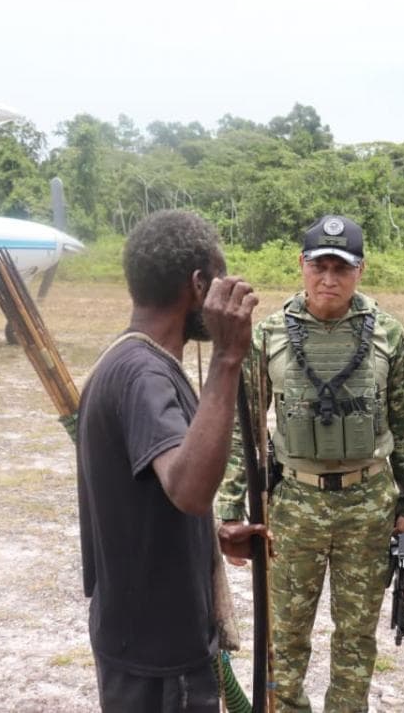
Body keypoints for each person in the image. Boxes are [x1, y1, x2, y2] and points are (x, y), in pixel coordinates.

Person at [216, 214, 404, 713]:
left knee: (355, 641)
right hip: (293, 505)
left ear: (361, 270)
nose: (329, 279)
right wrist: (229, 509)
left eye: (342, 268)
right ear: (301, 265)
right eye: (319, 266)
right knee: (285, 637)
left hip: (368, 505)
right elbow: (244, 427)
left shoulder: (388, 334)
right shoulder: (267, 336)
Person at [76, 210, 265, 712]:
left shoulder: (126, 359)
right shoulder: (145, 375)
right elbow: (188, 489)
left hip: (135, 640)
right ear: (198, 284)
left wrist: (209, 536)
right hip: (160, 660)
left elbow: (153, 500)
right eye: (217, 278)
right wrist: (227, 359)